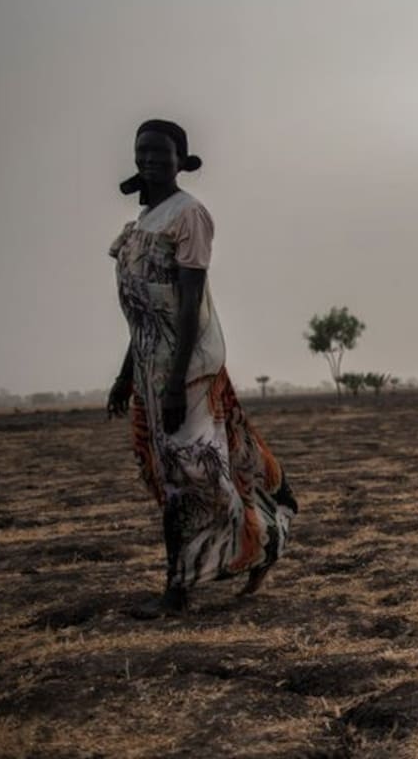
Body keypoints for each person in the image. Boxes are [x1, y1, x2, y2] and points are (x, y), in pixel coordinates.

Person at [108, 120, 298, 616]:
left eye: (161, 153)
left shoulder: (188, 215)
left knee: (189, 474)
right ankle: (257, 544)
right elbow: (144, 313)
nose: (149, 160)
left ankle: (179, 589)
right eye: (142, 151)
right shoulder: (142, 221)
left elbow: (189, 304)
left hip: (186, 369)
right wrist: (127, 373)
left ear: (181, 160)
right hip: (151, 368)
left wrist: (175, 381)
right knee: (172, 472)